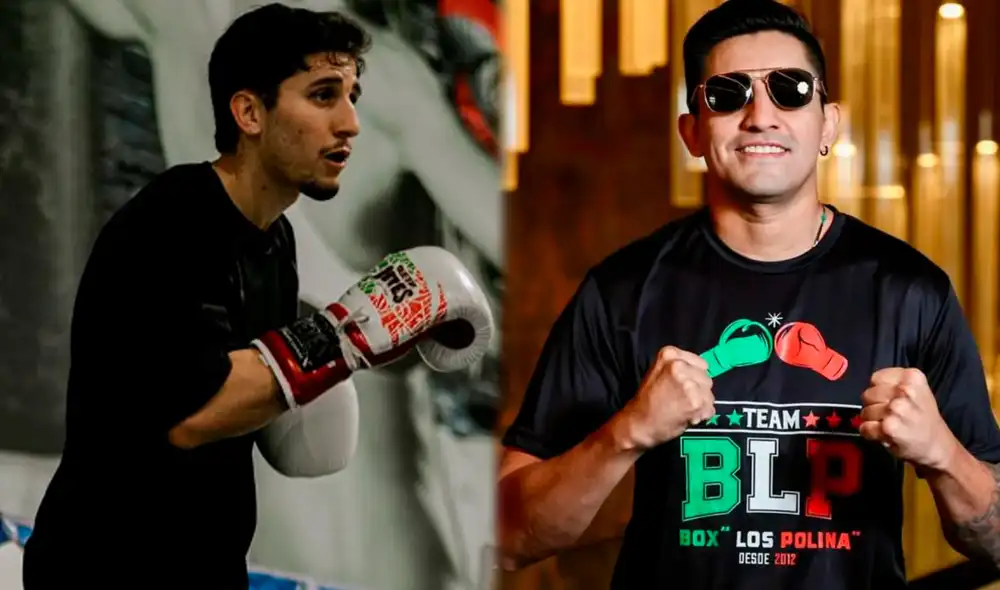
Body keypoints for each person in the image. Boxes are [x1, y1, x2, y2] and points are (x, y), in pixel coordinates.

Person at [498, 2, 1000, 588]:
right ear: (691, 131)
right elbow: (507, 537)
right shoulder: (622, 291)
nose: (761, 115)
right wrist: (626, 433)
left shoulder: (910, 290)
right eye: (727, 94)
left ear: (828, 125)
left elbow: (992, 541)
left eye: (791, 89)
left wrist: (942, 452)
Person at [23, 4, 493, 588]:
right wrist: (348, 333)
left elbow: (292, 435)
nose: (350, 123)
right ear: (248, 112)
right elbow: (191, 418)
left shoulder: (276, 238)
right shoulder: (175, 220)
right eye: (325, 96)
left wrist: (356, 348)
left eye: (352, 96)